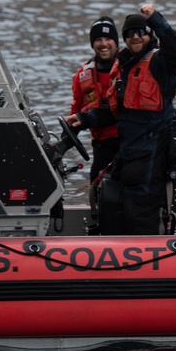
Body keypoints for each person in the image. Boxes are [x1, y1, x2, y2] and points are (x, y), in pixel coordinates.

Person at [67, 4, 176, 235]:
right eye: (130, 33)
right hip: (129, 150)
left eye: (141, 32)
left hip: (151, 148)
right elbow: (115, 110)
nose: (135, 37)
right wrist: (84, 118)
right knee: (112, 193)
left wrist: (155, 19)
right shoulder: (124, 66)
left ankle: (146, 259)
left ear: (149, 34)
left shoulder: (160, 61)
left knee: (140, 203)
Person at [68, 16, 122, 230]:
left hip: (128, 142)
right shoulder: (83, 75)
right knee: (97, 189)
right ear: (92, 43)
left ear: (116, 42)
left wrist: (84, 119)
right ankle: (99, 225)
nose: (103, 44)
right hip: (102, 146)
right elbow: (76, 110)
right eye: (98, 39)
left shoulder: (127, 69)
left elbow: (118, 110)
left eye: (108, 39)